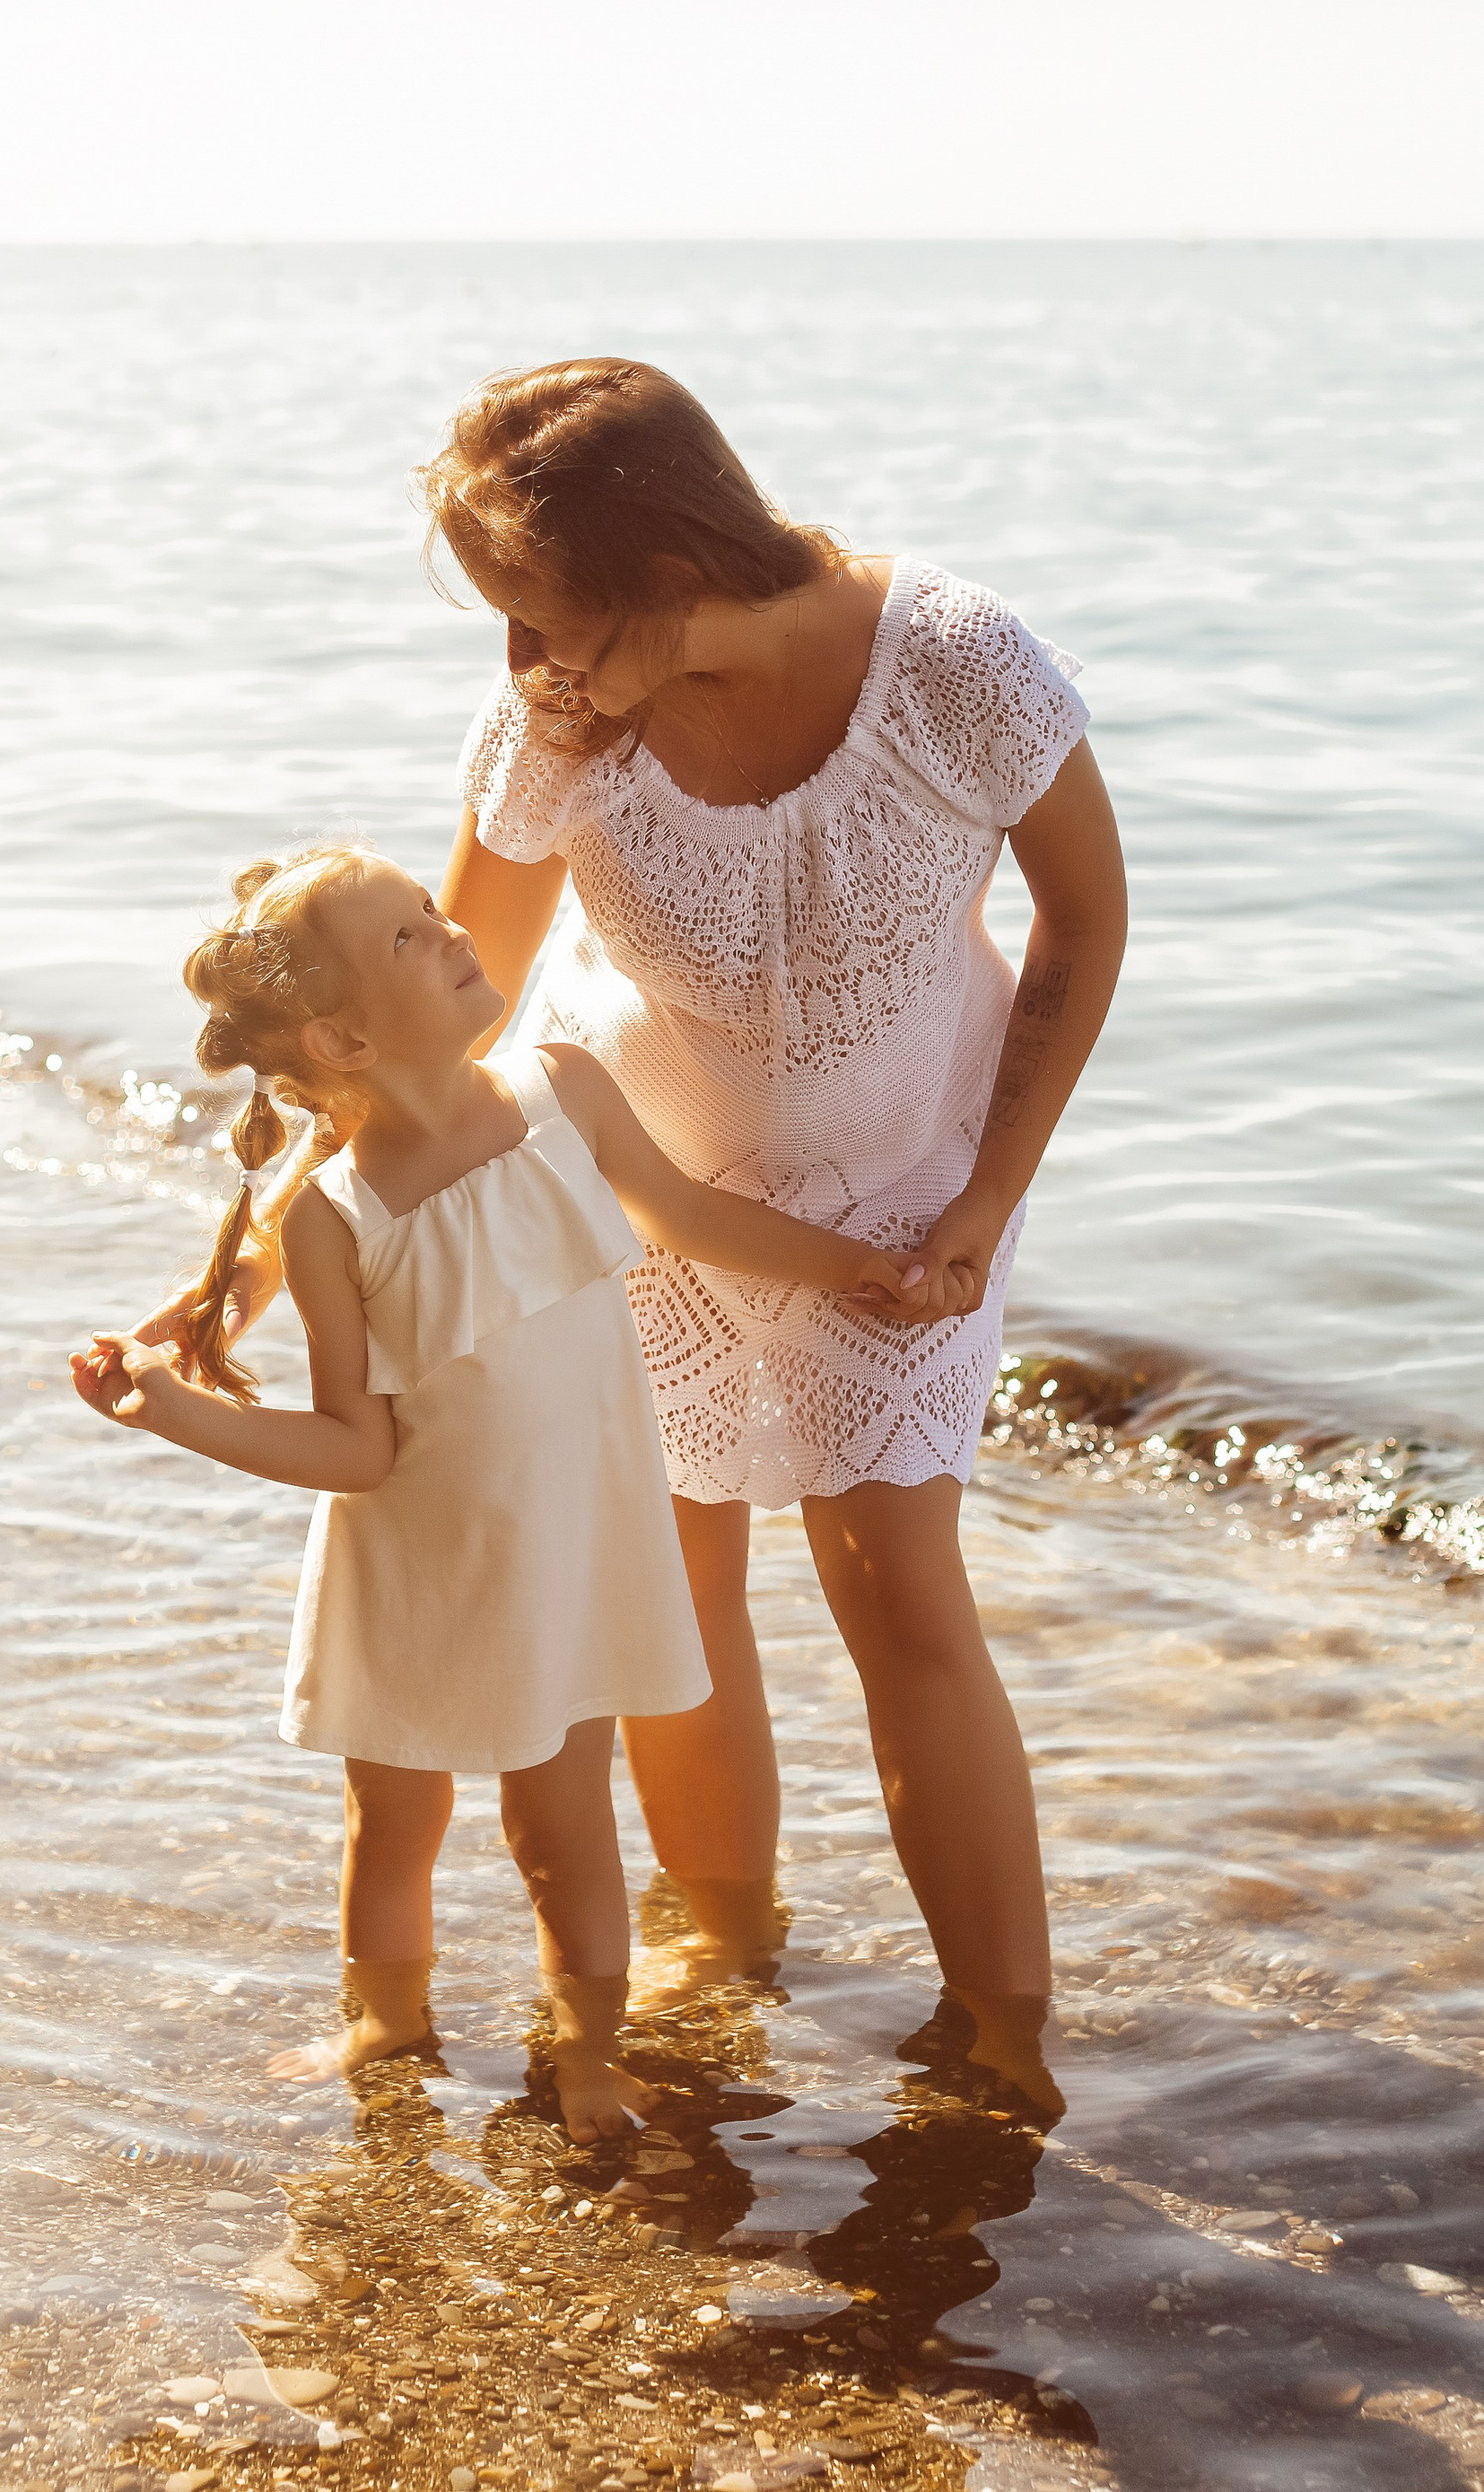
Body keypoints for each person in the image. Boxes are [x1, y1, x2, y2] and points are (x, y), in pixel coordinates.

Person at [140, 359, 1127, 2116]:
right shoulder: (555, 722)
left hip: (902, 1190)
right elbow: (459, 995)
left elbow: (1081, 916)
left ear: (665, 567)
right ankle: (723, 1952)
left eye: (544, 617)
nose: (523, 668)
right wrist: (247, 1242)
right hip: (622, 1182)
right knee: (665, 1579)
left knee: (894, 1581)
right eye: (500, 627)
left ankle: (999, 2044)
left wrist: (985, 1197)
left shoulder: (952, 663)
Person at [72, 841, 939, 2138]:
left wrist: (854, 1263)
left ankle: (589, 2052)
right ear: (342, 1034)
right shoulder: (333, 1220)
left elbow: (694, 1216)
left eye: (430, 905)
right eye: (409, 935)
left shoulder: (564, 1094)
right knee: (394, 1814)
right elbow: (357, 1448)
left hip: (566, 1546)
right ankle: (387, 2021)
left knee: (562, 1813)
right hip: (409, 1562)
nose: (450, 925)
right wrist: (182, 1413)